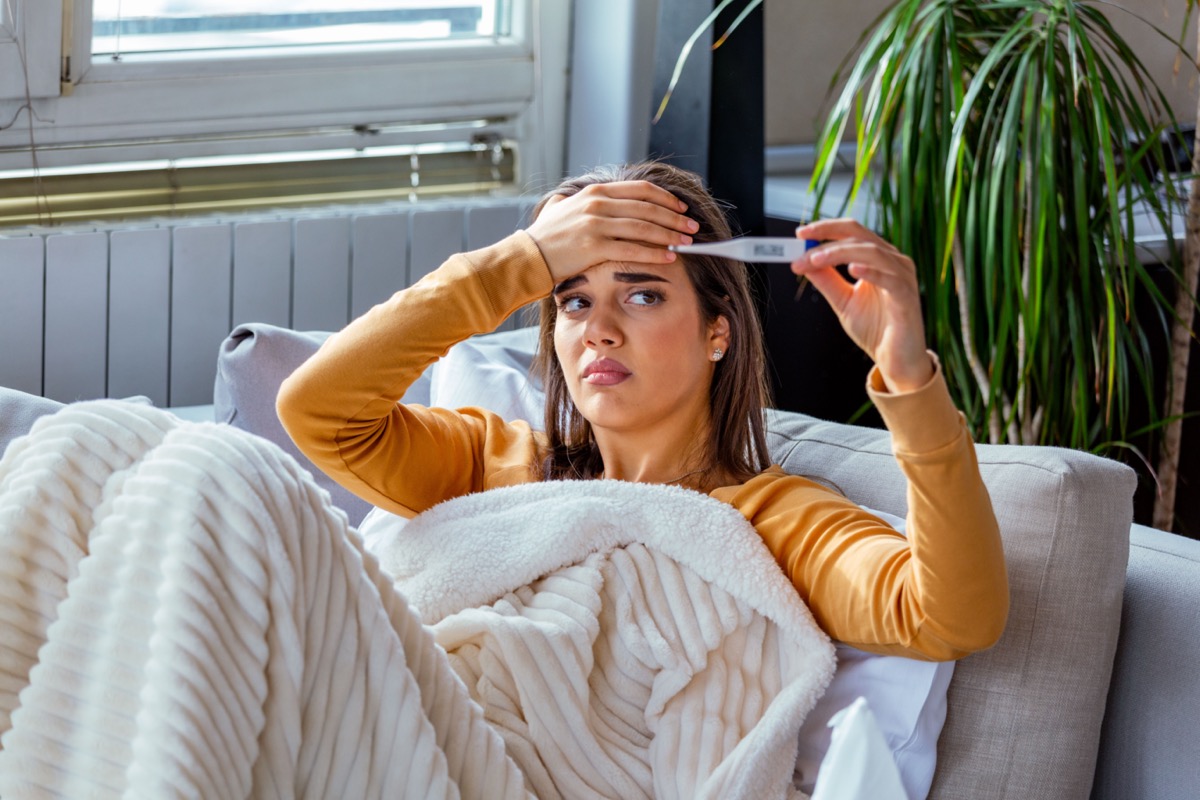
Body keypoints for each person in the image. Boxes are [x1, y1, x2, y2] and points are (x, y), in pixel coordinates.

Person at [277, 160, 1008, 661]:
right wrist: (526, 258)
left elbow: (950, 616)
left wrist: (908, 376)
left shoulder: (772, 519)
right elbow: (316, 409)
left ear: (717, 331)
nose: (599, 328)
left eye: (642, 294)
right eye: (573, 300)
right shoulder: (490, 462)